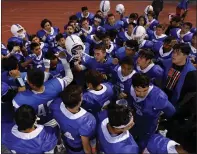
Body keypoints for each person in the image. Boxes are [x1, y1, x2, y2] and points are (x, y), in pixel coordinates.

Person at [12, 57, 73, 125]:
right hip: (58, 120)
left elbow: (21, 95)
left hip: (40, 127)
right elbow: (69, 77)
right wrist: (64, 60)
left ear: (30, 83)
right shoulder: (56, 83)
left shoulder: (20, 99)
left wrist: (18, 78)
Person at [127, 73, 176, 152]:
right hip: (134, 120)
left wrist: (162, 118)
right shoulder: (129, 85)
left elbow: (171, 111)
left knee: (142, 145)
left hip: (149, 125)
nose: (142, 94)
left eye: (145, 90)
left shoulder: (158, 97)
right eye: (138, 91)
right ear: (133, 86)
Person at [49, 84, 96, 154]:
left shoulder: (55, 104)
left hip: (65, 142)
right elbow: (86, 148)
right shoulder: (87, 120)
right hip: (78, 150)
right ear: (79, 102)